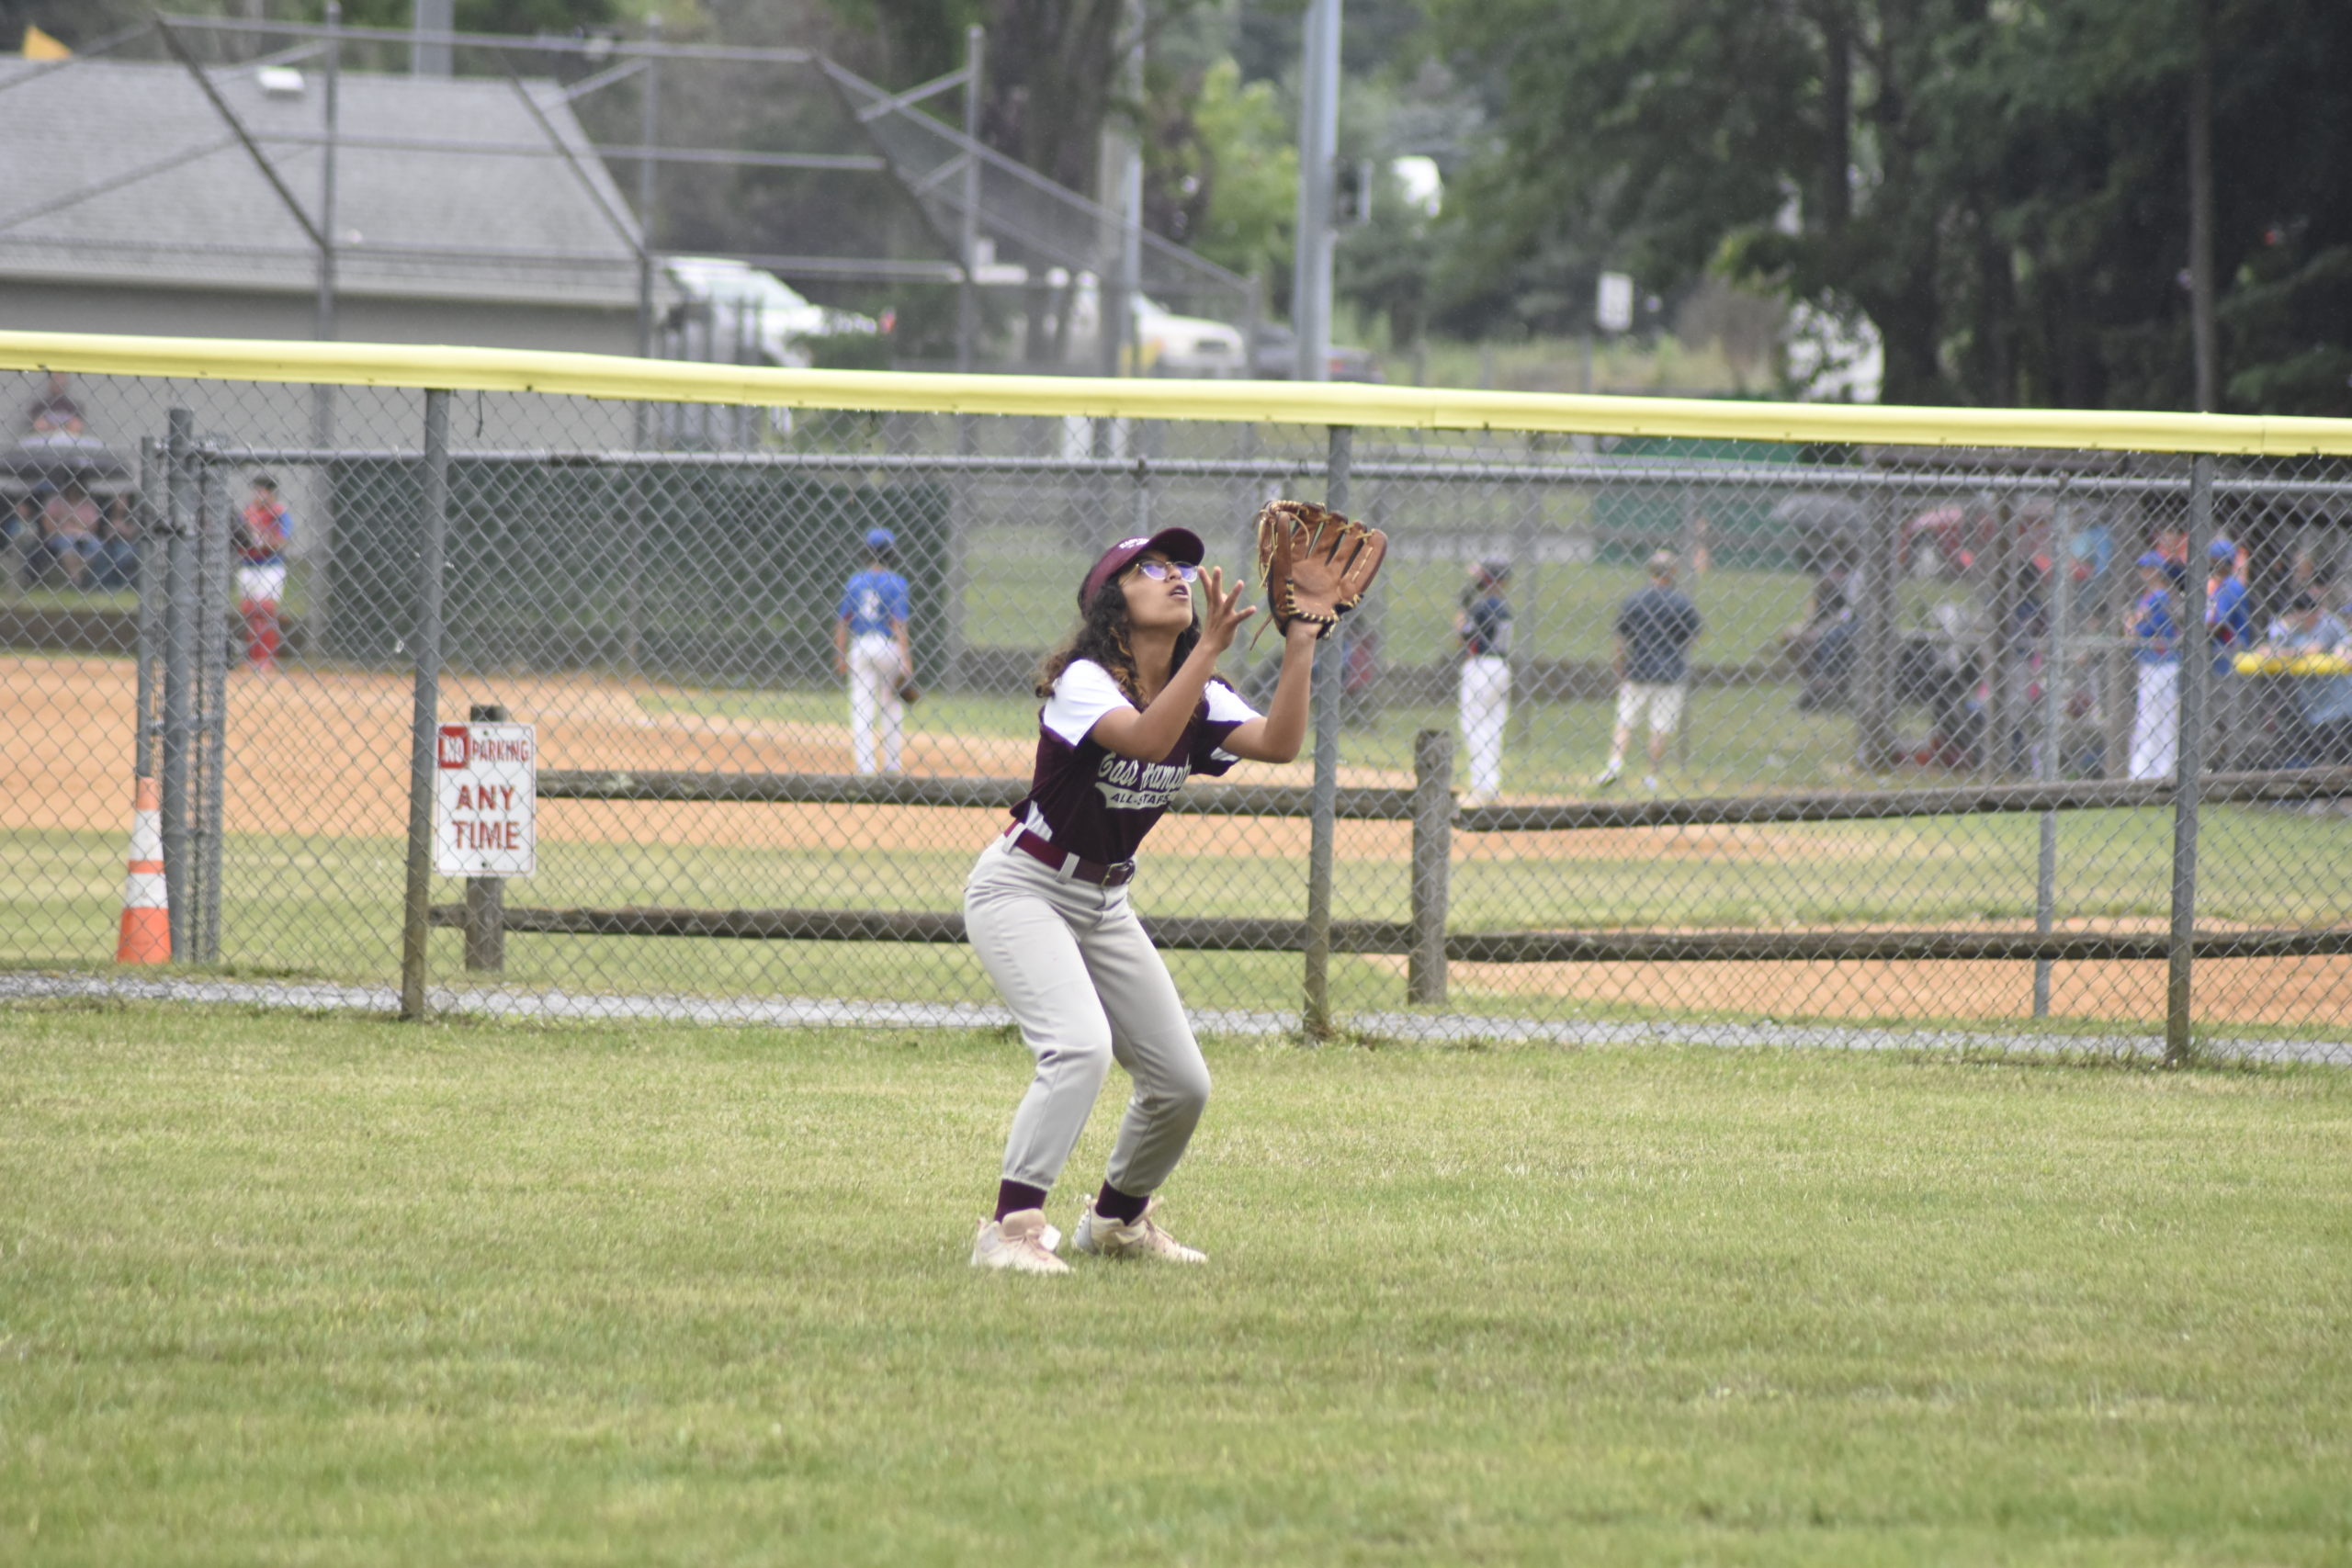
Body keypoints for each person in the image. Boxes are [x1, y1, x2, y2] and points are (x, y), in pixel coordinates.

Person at [964, 527, 1317, 1274]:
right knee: (1079, 1047)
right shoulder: (1083, 680)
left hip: (1104, 901)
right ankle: (1010, 1229)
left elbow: (1281, 743)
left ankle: (1117, 1222)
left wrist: (1301, 641)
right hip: (1023, 885)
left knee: (1182, 1083)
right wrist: (1211, 651)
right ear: (1110, 601)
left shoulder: (1201, 690)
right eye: (1148, 568)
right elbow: (1150, 741)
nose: (1175, 575)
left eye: (1180, 564)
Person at [1599, 550, 1702, 793]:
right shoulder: (1681, 603)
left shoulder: (1635, 600)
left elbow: (1621, 639)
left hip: (1638, 668)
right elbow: (1691, 638)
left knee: (1625, 719)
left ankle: (1614, 764)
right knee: (1660, 725)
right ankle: (1651, 775)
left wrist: (1619, 666)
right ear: (1673, 572)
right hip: (1670, 670)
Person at [833, 526, 913, 774]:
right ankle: (891, 765)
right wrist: (906, 659)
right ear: (891, 554)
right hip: (888, 646)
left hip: (861, 645)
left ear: (866, 552)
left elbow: (842, 622)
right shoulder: (897, 582)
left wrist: (840, 654)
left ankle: (865, 766)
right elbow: (898, 623)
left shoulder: (855, 581)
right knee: (890, 706)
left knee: (861, 706)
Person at [2254, 592, 2352, 767]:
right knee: (2313, 757)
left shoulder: (2327, 622)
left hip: (2340, 706)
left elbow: (2313, 648)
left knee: (2340, 757)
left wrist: (2279, 653)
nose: (2302, 620)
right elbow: (2272, 647)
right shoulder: (2293, 627)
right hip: (2313, 705)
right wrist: (2276, 642)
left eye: (2306, 616)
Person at [1453, 558, 1512, 807]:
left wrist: (1461, 610)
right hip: (1501, 667)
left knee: (1473, 726)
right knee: (1494, 728)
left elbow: (1461, 637)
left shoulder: (1481, 607)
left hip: (1480, 667)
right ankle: (1492, 786)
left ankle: (1481, 787)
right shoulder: (1505, 607)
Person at [2127, 551, 2183, 780]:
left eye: (2148, 568)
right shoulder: (2148, 597)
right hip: (2151, 663)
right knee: (2149, 717)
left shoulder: (2160, 597)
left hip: (2163, 664)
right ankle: (2145, 770)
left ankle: (2158, 771)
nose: (2144, 573)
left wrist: (2132, 624)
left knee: (2160, 718)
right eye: (2142, 568)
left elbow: (2143, 630)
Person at [236, 473, 294, 671]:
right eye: (256, 491)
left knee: (266, 610)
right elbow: (237, 537)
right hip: (248, 565)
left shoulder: (278, 513)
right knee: (250, 610)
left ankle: (266, 658)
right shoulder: (247, 513)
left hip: (270, 566)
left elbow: (282, 540)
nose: (258, 495)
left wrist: (263, 542)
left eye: (262, 491)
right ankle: (253, 657)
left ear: (271, 494)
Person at [2204, 536, 2253, 767]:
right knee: (2218, 715)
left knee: (2228, 715)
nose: (2212, 564)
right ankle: (2220, 764)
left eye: (2215, 560)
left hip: (2230, 655)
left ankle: (2230, 766)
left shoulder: (2231, 586)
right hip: (2220, 656)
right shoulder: (2219, 585)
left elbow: (2216, 622)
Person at [38, 479, 104, 590]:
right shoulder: (56, 501)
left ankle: (77, 576)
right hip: (61, 535)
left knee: (96, 545)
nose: (74, 491)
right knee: (68, 544)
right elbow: (47, 524)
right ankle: (77, 581)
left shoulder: (88, 503)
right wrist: (61, 527)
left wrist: (72, 519)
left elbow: (92, 527)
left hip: (83, 535)